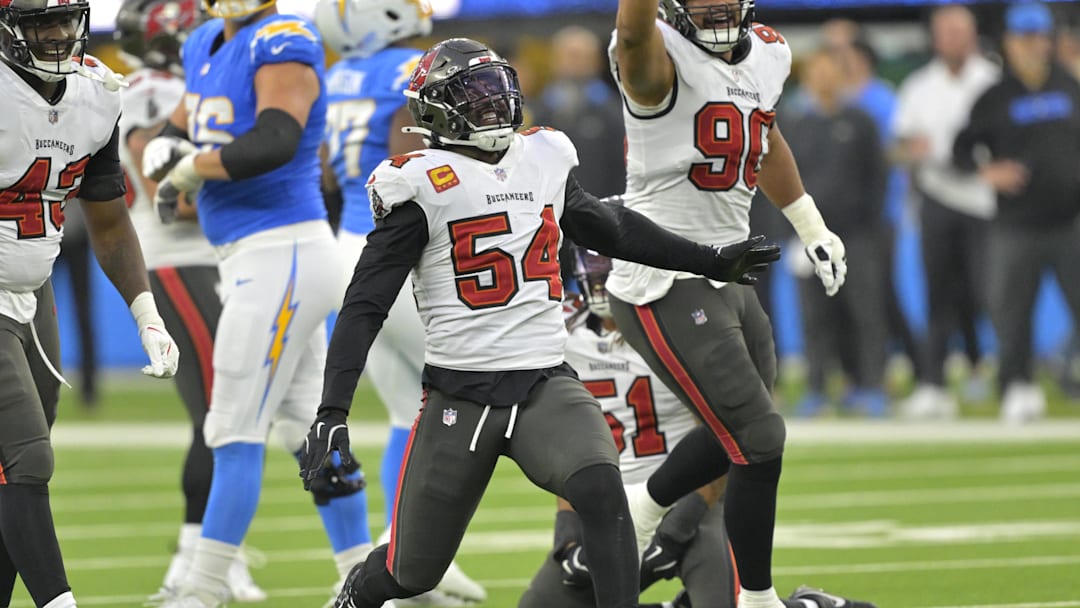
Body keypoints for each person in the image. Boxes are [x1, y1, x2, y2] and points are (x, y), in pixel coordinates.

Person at [297, 37, 780, 608]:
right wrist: (332, 410)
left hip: (544, 383)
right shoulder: (419, 183)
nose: (491, 102)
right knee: (412, 571)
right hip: (462, 395)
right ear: (436, 111)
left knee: (601, 489)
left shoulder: (543, 157)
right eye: (472, 94)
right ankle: (356, 594)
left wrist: (708, 259)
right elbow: (364, 304)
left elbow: (612, 229)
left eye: (495, 88)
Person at [604, 2, 849, 608]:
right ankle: (757, 599)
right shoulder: (656, 54)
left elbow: (762, 136)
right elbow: (633, 35)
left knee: (741, 430)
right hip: (665, 273)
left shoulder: (769, 52)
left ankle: (641, 506)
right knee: (759, 435)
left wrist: (810, 224)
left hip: (729, 269)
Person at [141, 1, 371, 605]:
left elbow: (275, 139)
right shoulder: (204, 41)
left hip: (281, 253)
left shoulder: (282, 37)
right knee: (307, 430)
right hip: (258, 258)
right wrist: (167, 148)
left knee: (232, 429)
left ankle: (202, 588)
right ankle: (364, 580)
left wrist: (191, 167)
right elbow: (184, 122)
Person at [519, 243, 875, 608]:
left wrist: (677, 528)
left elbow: (727, 435)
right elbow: (573, 446)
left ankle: (813, 605)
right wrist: (568, 537)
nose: (600, 277)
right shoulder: (564, 333)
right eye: (593, 266)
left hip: (693, 506)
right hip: (613, 511)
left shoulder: (672, 322)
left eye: (607, 267)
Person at [0, 1, 181, 606]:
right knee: (26, 458)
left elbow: (108, 219)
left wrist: (146, 314)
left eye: (65, 20)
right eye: (39, 23)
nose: (57, 34)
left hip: (32, 289)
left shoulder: (96, 95)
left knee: (14, 468)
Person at [313, 1, 486, 603]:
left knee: (404, 412)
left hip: (346, 244)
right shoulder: (405, 69)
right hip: (397, 252)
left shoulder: (336, 74)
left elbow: (327, 175)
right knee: (462, 390)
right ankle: (409, 552)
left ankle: (400, 551)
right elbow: (410, 155)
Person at [112, 0, 268, 601]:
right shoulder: (154, 90)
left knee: (227, 412)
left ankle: (205, 554)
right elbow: (165, 193)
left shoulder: (183, 84)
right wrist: (257, 193)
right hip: (176, 258)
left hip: (209, 259)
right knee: (218, 414)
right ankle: (198, 561)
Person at [953, 1, 1080, 424]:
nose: (1030, 45)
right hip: (1016, 225)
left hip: (1070, 222)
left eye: (1037, 37)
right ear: (1008, 42)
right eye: (1022, 38)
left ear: (1049, 40)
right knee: (1011, 313)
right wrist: (987, 171)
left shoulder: (1071, 87)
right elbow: (960, 149)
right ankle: (1016, 387)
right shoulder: (995, 96)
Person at [893, 4, 1000, 419]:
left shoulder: (993, 81)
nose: (954, 39)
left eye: (960, 31)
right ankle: (933, 384)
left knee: (983, 292)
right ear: (935, 39)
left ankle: (985, 370)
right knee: (937, 294)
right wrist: (910, 150)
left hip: (984, 201)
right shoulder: (919, 86)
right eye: (946, 32)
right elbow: (900, 146)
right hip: (936, 198)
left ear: (973, 35)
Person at [785, 49, 889, 417]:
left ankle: (871, 386)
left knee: (865, 312)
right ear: (806, 78)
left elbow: (878, 176)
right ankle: (816, 389)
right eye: (817, 72)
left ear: (843, 77)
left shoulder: (861, 122)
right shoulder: (795, 125)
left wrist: (871, 226)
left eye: (831, 71)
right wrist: (793, 232)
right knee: (815, 316)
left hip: (856, 235)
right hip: (809, 238)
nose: (824, 78)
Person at [532, 25, 626, 198]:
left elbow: (622, 168)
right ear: (554, 60)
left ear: (596, 61)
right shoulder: (539, 111)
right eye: (568, 55)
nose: (574, 63)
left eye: (580, 56)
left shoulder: (614, 111)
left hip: (602, 204)